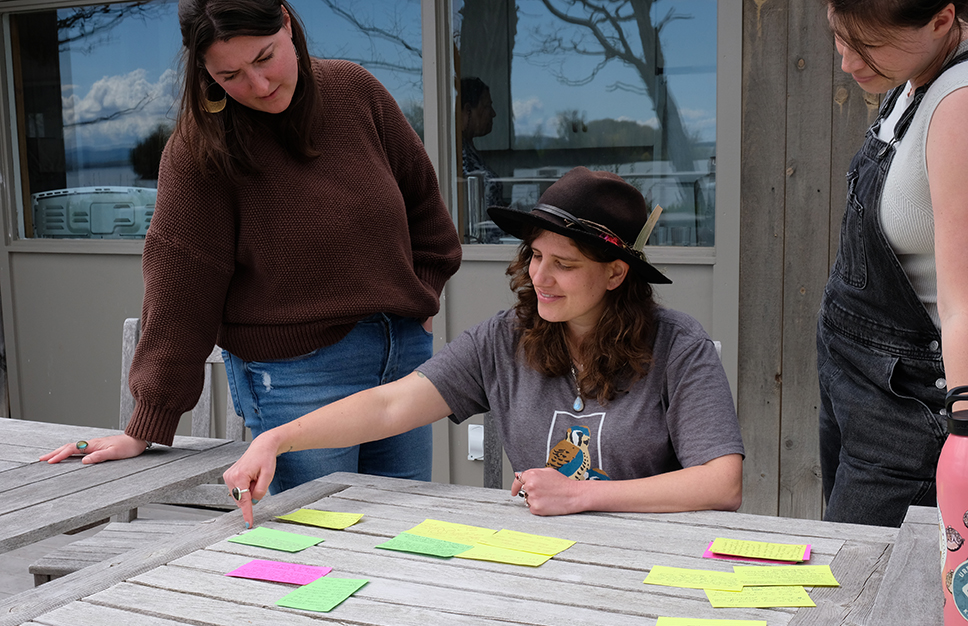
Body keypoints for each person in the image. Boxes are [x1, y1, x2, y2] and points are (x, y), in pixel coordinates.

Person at [40, 0, 462, 494]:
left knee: (402, 538)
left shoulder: (354, 91)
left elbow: (425, 207)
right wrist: (148, 424)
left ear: (286, 22)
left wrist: (426, 290)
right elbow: (182, 289)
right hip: (299, 378)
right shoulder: (200, 151)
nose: (258, 86)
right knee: (316, 544)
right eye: (230, 74)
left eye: (264, 58)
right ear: (204, 70)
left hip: (404, 363)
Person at [224, 167, 744, 526]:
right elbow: (389, 405)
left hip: (655, 558)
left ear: (615, 273)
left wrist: (581, 494)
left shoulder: (678, 344)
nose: (541, 277)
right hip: (539, 558)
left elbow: (722, 483)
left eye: (565, 264)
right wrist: (276, 440)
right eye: (536, 256)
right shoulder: (505, 337)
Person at [819, 1, 968, 526]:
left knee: (857, 584)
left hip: (906, 408)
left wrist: (964, 427)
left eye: (869, 48)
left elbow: (962, 302)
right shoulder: (910, 82)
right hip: (854, 381)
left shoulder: (959, 102)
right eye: (840, 40)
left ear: (942, 20)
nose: (848, 63)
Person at [460, 77, 504, 211]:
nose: (493, 113)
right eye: (487, 106)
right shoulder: (457, 153)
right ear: (468, 110)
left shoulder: (468, 148)